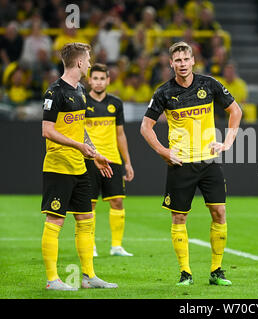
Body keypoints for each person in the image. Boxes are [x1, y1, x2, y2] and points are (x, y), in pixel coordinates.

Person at [140, 41, 242, 286]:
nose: (182, 64)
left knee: (219, 212)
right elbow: (145, 127)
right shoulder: (164, 92)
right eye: (177, 60)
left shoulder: (209, 84)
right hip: (181, 164)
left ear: (193, 60)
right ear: (171, 63)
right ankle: (185, 273)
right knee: (179, 219)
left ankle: (216, 270)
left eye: (186, 59)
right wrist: (163, 151)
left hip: (208, 161)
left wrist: (227, 143)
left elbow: (236, 111)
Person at [41, 42, 118, 290]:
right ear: (79, 62)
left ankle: (88, 277)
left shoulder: (81, 91)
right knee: (55, 221)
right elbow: (47, 130)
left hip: (81, 165)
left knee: (86, 218)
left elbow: (81, 128)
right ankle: (52, 280)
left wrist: (94, 153)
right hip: (58, 166)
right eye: (88, 58)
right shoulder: (54, 93)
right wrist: (78, 146)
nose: (89, 61)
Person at [85, 63, 135, 257]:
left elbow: (120, 134)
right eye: (95, 78)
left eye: (102, 78)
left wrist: (127, 162)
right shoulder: (81, 102)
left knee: (117, 202)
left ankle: (116, 246)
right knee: (89, 205)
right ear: (89, 80)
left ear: (108, 80)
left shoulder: (116, 103)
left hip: (112, 159)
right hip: (89, 160)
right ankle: (91, 246)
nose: (98, 82)